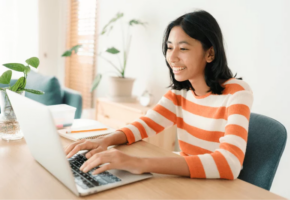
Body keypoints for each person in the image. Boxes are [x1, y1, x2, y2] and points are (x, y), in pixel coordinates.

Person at [65, 10, 253, 180]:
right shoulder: (180, 93)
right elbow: (145, 124)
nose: (171, 57)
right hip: (186, 181)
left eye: (183, 48)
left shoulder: (237, 93)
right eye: (170, 47)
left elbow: (230, 164)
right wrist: (104, 141)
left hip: (216, 187)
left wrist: (139, 163)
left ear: (210, 53)